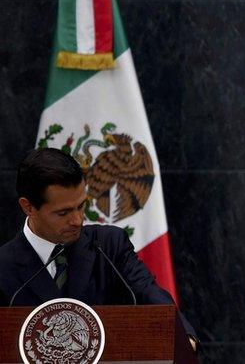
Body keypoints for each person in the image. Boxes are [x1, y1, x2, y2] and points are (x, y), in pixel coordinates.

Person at [0, 148, 197, 350]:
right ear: (28, 207)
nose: (77, 220)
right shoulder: (4, 267)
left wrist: (182, 338)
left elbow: (148, 293)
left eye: (80, 206)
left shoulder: (108, 245)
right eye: (63, 212)